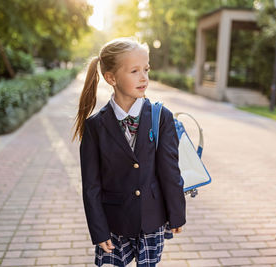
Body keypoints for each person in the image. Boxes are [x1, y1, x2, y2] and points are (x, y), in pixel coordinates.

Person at [72, 37, 186, 267]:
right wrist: (99, 230)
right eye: (134, 71)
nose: (144, 77)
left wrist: (177, 212)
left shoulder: (161, 116)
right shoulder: (95, 126)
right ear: (111, 78)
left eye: (146, 69)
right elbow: (91, 185)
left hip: (151, 218)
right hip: (114, 223)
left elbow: (170, 170)